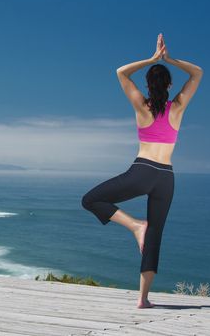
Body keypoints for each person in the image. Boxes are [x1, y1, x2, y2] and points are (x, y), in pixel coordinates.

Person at [81, 33, 203, 308]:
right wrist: (169, 58)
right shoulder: (179, 107)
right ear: (170, 85)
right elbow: (197, 73)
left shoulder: (141, 106)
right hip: (166, 178)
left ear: (147, 85)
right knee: (156, 236)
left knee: (90, 200)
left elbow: (121, 73)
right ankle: (143, 299)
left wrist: (151, 59)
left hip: (142, 171)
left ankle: (136, 226)